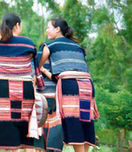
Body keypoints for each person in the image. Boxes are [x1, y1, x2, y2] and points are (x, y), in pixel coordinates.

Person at [0, 13, 44, 151]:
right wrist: (40, 85)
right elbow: (36, 68)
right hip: (25, 87)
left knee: (8, 123)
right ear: (17, 25)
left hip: (4, 87)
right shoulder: (28, 43)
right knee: (26, 122)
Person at [40, 18, 99, 152]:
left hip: (71, 85)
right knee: (84, 120)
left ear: (57, 29)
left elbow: (37, 66)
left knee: (74, 123)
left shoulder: (50, 45)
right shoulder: (78, 47)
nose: (47, 30)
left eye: (49, 27)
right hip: (87, 86)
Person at [35, 44, 64, 152]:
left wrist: (43, 70)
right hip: (40, 105)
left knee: (54, 138)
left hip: (55, 104)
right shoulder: (34, 66)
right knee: (39, 139)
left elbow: (59, 80)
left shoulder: (56, 65)